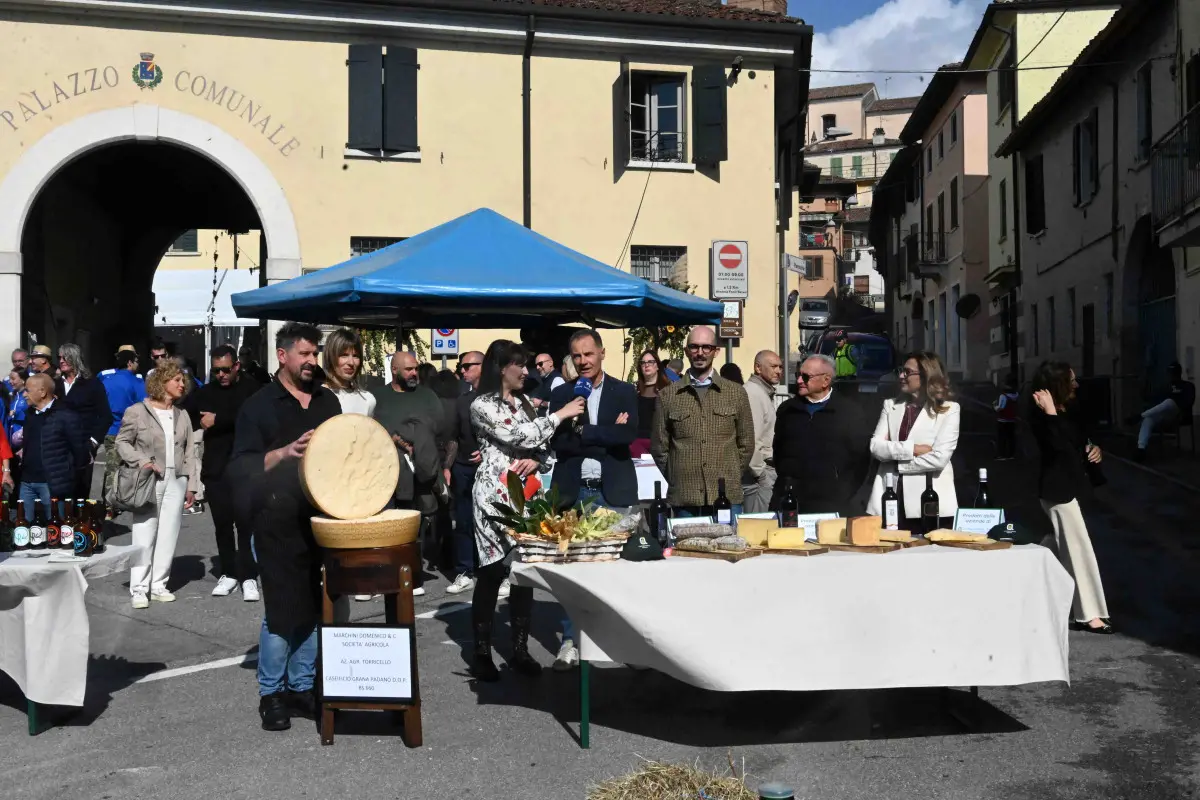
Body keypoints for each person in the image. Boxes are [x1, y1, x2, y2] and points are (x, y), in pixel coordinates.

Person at [230, 322, 341, 731]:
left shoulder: (328, 402)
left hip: (319, 520)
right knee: (280, 612)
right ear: (283, 356)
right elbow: (241, 466)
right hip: (273, 519)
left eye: (315, 354)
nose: (313, 362)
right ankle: (271, 694)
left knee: (311, 607)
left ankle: (301, 687)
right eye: (306, 354)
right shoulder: (259, 405)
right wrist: (285, 452)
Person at [469, 339, 586, 682]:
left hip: (527, 497)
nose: (526, 371)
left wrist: (537, 460)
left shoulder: (525, 403)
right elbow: (517, 435)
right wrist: (561, 414)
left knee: (523, 575)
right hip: (494, 496)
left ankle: (519, 650)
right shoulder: (482, 404)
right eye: (518, 365)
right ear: (501, 368)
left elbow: (543, 449)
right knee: (491, 574)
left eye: (526, 364)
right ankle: (480, 653)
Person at [548, 329, 637, 671]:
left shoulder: (624, 391)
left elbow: (627, 435)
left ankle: (613, 639)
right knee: (571, 569)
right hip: (573, 490)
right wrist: (602, 433)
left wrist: (585, 430)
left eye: (589, 354)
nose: (583, 361)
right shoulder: (563, 396)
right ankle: (572, 641)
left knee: (610, 568)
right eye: (577, 356)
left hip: (609, 491)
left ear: (602, 353)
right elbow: (560, 444)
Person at [1031, 361, 1112, 634]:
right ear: (1058, 385)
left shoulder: (1072, 408)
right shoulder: (1040, 413)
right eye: (1071, 380)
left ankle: (1026, 586)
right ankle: (1090, 614)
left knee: (1053, 548)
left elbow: (1080, 441)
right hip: (1058, 491)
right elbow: (1059, 451)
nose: (1076, 384)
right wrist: (1051, 414)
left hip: (1075, 485)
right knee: (1078, 549)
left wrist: (1094, 449)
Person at [116, 361, 198, 609]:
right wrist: (142, 461)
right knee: (144, 532)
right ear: (162, 383)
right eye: (177, 380)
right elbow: (122, 442)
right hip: (148, 478)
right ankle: (139, 588)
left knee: (169, 533)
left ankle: (159, 584)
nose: (182, 384)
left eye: (183, 380)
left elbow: (190, 451)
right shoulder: (137, 411)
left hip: (177, 479)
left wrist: (192, 485)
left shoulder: (182, 414)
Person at [651, 326, 753, 514]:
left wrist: (730, 472)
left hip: (726, 496)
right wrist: (677, 475)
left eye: (706, 347)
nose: (700, 353)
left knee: (728, 543)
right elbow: (659, 447)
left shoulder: (736, 393)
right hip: (684, 497)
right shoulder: (668, 395)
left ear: (716, 351)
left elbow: (746, 443)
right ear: (686, 351)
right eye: (694, 347)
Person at [371, 351, 446, 597]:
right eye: (408, 369)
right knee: (383, 526)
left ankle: (411, 575)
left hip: (419, 475)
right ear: (394, 370)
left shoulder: (427, 396)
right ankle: (380, 574)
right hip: (384, 474)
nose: (414, 373)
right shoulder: (378, 397)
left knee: (413, 528)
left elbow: (438, 431)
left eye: (416, 368)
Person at [190, 345, 261, 600]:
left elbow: (249, 415)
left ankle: (249, 576)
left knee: (246, 525)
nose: (221, 374)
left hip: (245, 469)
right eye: (216, 370)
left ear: (236, 367)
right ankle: (229, 573)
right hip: (216, 468)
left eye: (226, 369)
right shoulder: (205, 392)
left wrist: (217, 420)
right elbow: (185, 412)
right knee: (222, 525)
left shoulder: (251, 389)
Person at [866, 352, 961, 531]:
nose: (901, 376)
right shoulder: (890, 405)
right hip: (890, 497)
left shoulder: (949, 410)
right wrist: (913, 449)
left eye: (907, 372)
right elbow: (875, 447)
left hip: (930, 502)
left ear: (926, 376)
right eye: (901, 371)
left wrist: (897, 464)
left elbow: (939, 458)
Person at [771, 354, 870, 515]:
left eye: (805, 377)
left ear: (826, 380)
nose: (799, 381)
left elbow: (861, 459)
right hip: (791, 500)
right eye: (798, 375)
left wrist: (844, 492)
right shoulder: (787, 410)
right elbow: (779, 452)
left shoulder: (849, 412)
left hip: (832, 503)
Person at [17, 374, 87, 515]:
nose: (24, 394)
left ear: (42, 392)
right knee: (25, 528)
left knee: (55, 530)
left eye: (28, 390)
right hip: (27, 482)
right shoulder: (30, 415)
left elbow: (80, 450)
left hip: (52, 484)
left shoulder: (65, 415)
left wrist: (67, 476)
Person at [447, 351, 485, 595]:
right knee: (463, 521)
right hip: (462, 468)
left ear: (483, 366)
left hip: (488, 469)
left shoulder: (497, 397)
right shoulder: (461, 400)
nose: (462, 370)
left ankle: (495, 571)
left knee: (490, 522)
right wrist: (447, 467)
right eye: (461, 366)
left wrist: (488, 452)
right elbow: (454, 437)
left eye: (467, 366)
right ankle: (465, 571)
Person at [55, 343, 112, 499]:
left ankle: (80, 522)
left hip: (82, 445)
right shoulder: (55, 384)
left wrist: (93, 441)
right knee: (58, 492)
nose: (61, 361)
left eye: (65, 357)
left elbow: (106, 416)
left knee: (80, 492)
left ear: (75, 358)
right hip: (57, 446)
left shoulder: (92, 384)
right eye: (59, 357)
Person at [99, 347, 147, 500]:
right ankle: (115, 500)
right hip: (130, 431)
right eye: (136, 361)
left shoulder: (105, 378)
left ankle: (109, 499)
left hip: (110, 430)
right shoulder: (137, 381)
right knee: (129, 466)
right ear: (129, 363)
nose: (138, 364)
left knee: (111, 465)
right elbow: (144, 405)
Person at [743, 350, 782, 514]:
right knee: (758, 526)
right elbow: (751, 438)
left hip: (763, 472)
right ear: (758, 368)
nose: (778, 371)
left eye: (780, 367)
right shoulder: (753, 393)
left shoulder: (762, 392)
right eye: (773, 366)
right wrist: (760, 473)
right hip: (758, 475)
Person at [1133, 362, 1196, 461]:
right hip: (1165, 415)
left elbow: (1189, 402)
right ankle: (1141, 449)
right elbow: (1151, 398)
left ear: (1179, 373)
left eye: (1174, 373)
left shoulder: (1187, 386)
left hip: (1179, 413)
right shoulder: (1165, 387)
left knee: (1169, 402)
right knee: (1149, 419)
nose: (1172, 376)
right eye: (1171, 373)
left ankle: (1140, 416)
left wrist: (1181, 410)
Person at [322, 328, 376, 416]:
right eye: (344, 355)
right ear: (330, 357)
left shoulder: (368, 400)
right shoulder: (316, 398)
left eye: (355, 356)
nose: (351, 362)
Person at [632, 350, 669, 459]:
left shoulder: (667, 390)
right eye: (643, 363)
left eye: (650, 362)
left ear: (657, 366)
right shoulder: (634, 390)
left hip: (660, 444)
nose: (646, 365)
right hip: (637, 444)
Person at [994, 373, 1020, 460]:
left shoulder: (1003, 396)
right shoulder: (1016, 395)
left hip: (1002, 420)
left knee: (1002, 438)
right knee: (1011, 438)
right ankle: (1011, 455)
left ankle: (1001, 455)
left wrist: (994, 406)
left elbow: (1001, 408)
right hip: (1012, 420)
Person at [5, 369, 28, 448]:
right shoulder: (12, 396)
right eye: (9, 378)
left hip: (22, 440)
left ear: (23, 380)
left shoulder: (28, 396)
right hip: (11, 440)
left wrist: (16, 413)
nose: (10, 382)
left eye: (13, 379)